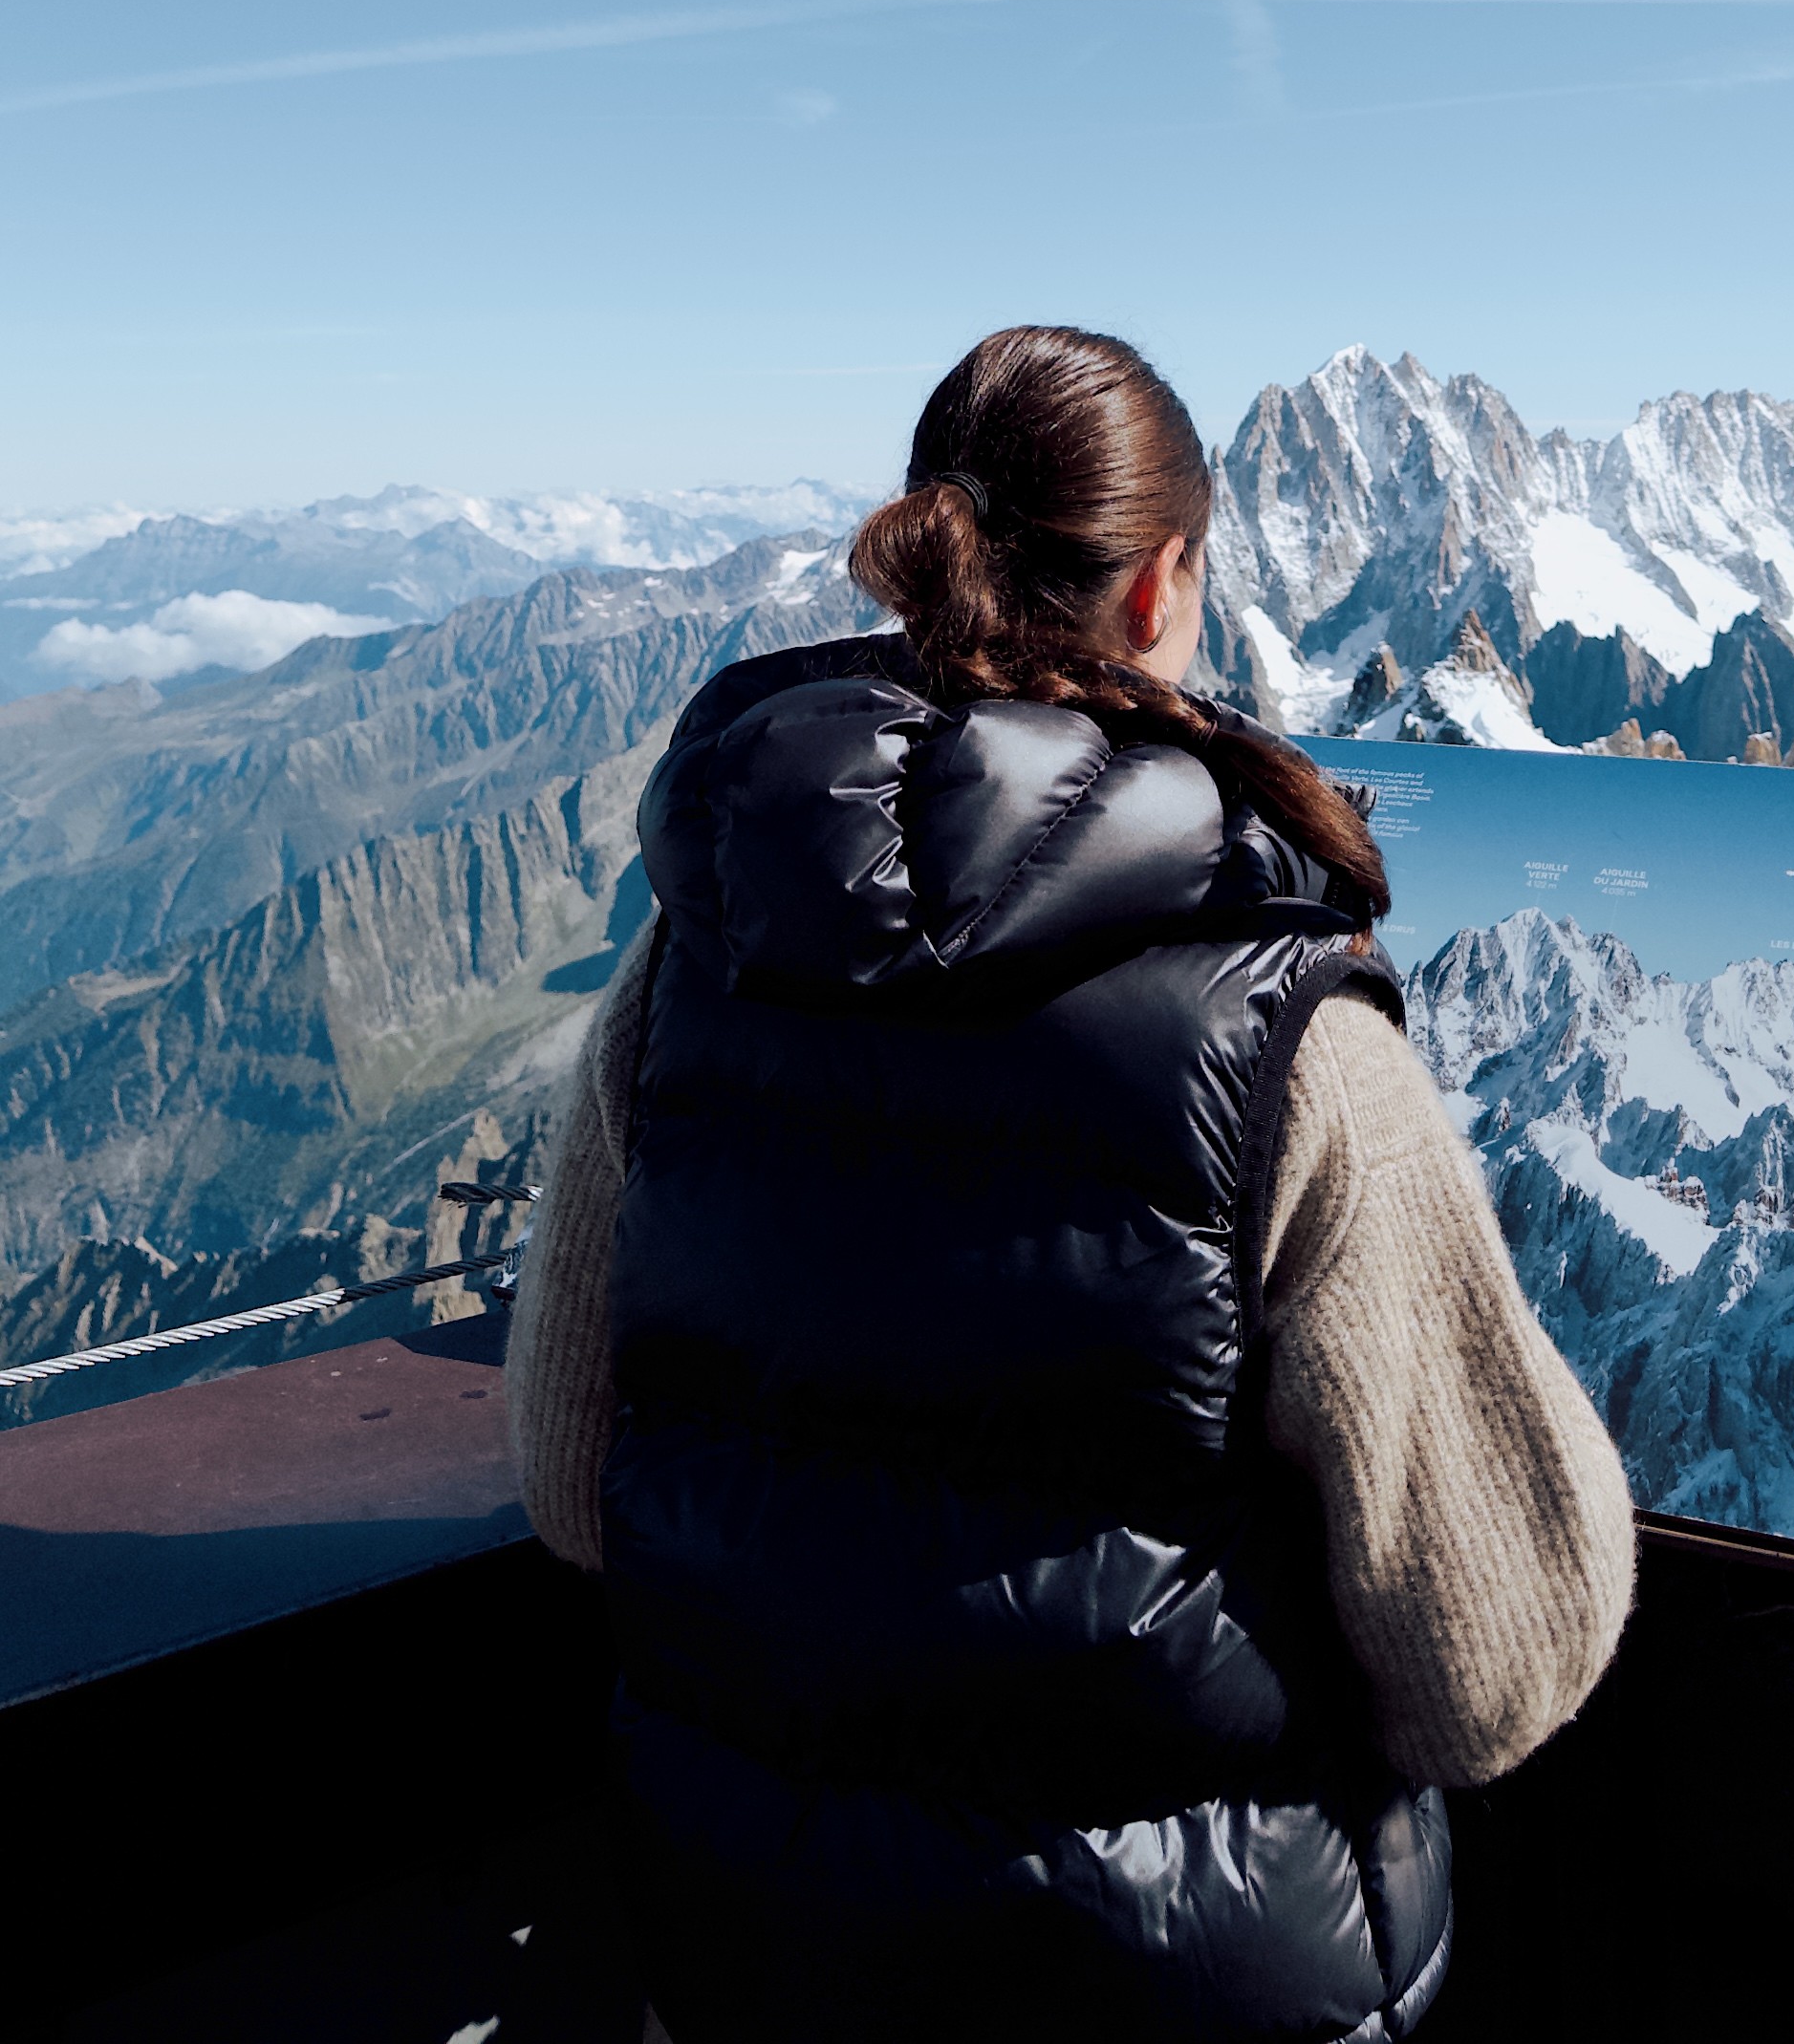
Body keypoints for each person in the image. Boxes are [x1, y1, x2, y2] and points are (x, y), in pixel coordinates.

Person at [508, 325, 1633, 2042]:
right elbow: (1490, 1674)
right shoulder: (1297, 1049)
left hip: (761, 1973)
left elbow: (574, 1489)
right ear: (1164, 584)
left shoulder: (693, 967)